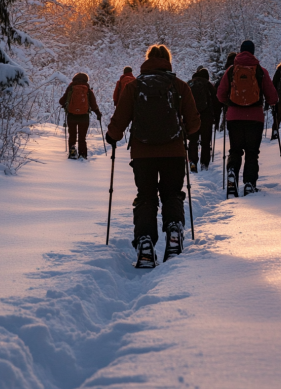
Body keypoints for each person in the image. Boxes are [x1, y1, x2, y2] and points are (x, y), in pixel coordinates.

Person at [106, 44, 200, 268]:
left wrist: (112, 136)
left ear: (147, 60)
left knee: (146, 197)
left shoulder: (134, 86)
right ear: (168, 60)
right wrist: (183, 132)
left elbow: (120, 117)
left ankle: (145, 241)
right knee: (172, 195)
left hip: (142, 154)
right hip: (174, 152)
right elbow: (195, 123)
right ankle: (174, 232)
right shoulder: (179, 86)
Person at [217, 41, 278, 196]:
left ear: (240, 51)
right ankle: (249, 183)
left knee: (235, 150)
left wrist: (230, 104)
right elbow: (273, 97)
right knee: (252, 152)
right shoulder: (260, 71)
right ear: (253, 52)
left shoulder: (231, 70)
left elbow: (220, 94)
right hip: (255, 118)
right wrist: (270, 103)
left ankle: (232, 177)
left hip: (234, 117)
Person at [59, 73, 102, 159]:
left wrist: (66, 105)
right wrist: (98, 113)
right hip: (84, 117)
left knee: (72, 135)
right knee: (82, 137)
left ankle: (72, 152)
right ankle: (83, 155)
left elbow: (61, 101)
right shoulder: (88, 90)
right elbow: (93, 105)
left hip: (71, 116)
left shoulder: (71, 88)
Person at [187, 67, 218, 172]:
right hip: (206, 118)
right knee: (205, 142)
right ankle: (204, 164)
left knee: (193, 140)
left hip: (192, 117)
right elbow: (216, 102)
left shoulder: (189, 84)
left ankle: (192, 161)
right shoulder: (209, 85)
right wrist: (216, 119)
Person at [214, 52, 237, 132]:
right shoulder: (239, 67)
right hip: (237, 96)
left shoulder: (228, 69)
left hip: (227, 98)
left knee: (225, 110)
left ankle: (222, 126)